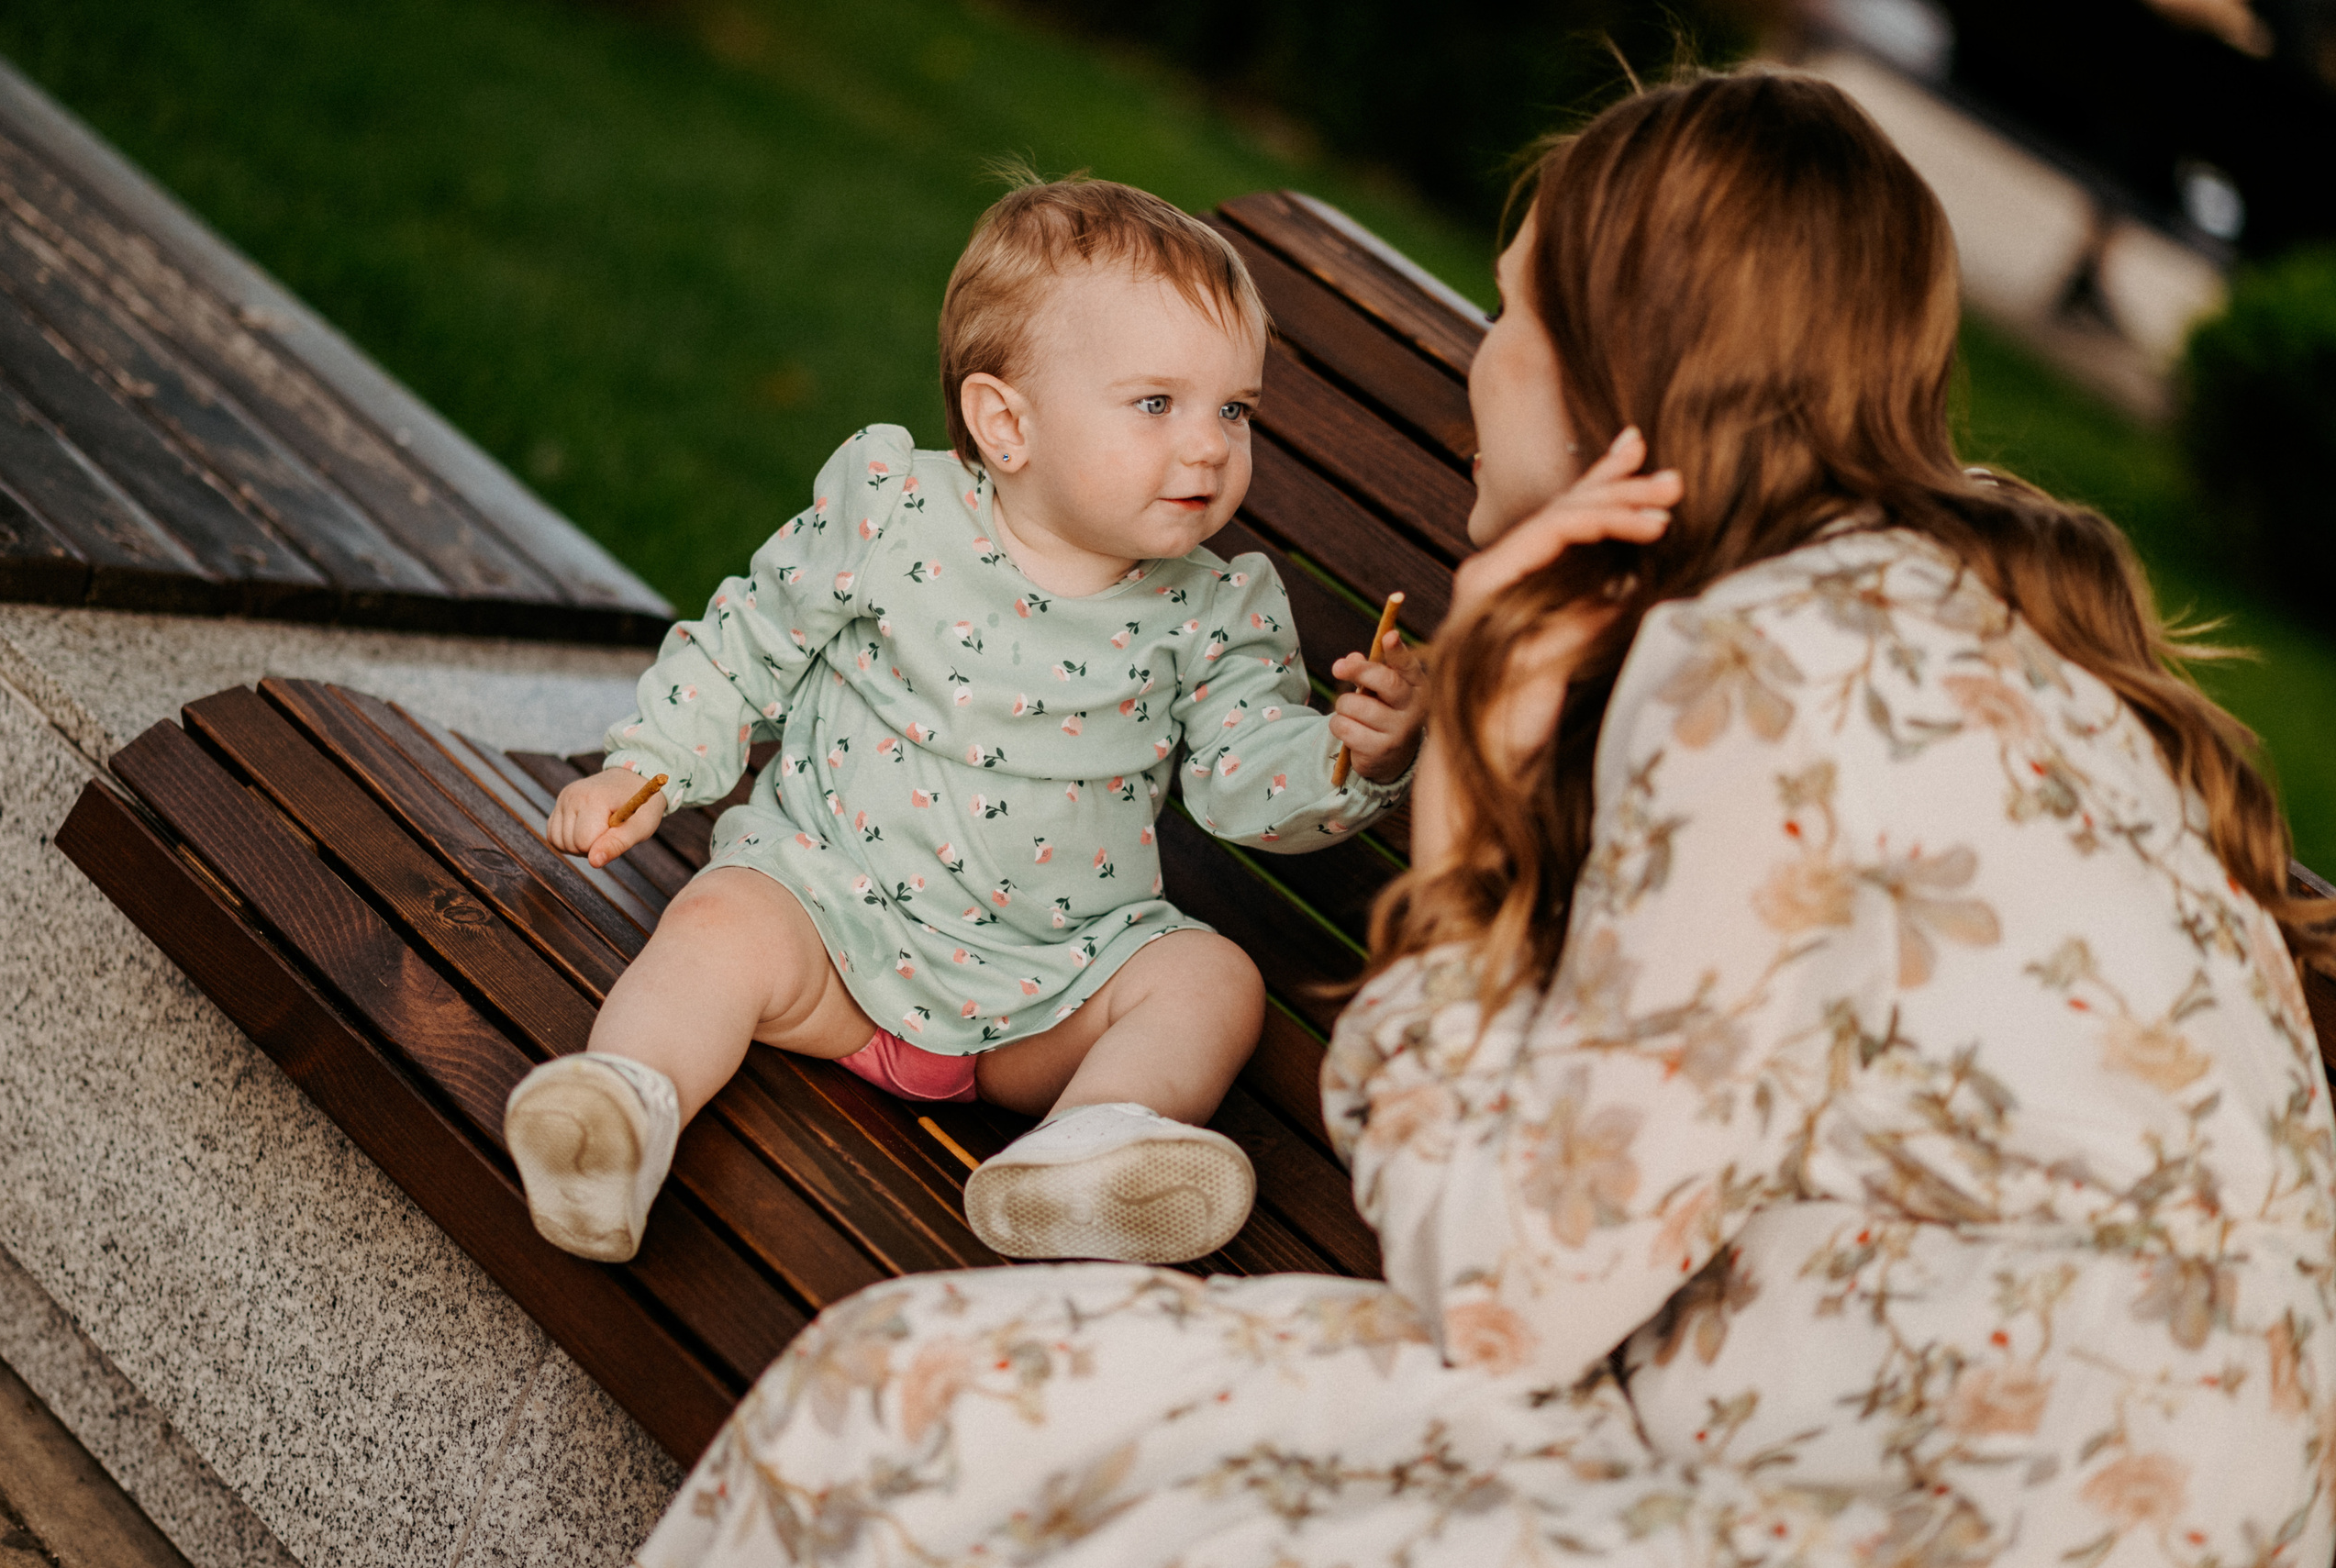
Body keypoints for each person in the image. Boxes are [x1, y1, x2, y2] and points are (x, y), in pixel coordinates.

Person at [632, 69, 2336, 1568]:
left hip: (1952, 1501)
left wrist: (1465, 782)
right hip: (1926, 1432)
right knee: (908, 1388)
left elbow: (1505, 1281)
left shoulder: (1752, 674)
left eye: (1512, 315)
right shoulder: (1864, 616)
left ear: (1621, 390)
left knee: (914, 1410)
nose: (1478, 355)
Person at [504, 175, 1425, 1270]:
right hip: (829, 931)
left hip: (1045, 990)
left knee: (1210, 980)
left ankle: (1083, 1153)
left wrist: (1344, 753)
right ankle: (620, 1116)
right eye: (1156, 404)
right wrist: (644, 764)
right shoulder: (893, 510)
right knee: (716, 926)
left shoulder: (1212, 610)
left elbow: (1240, 780)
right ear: (1005, 422)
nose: (1213, 445)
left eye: (1235, 408)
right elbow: (748, 640)